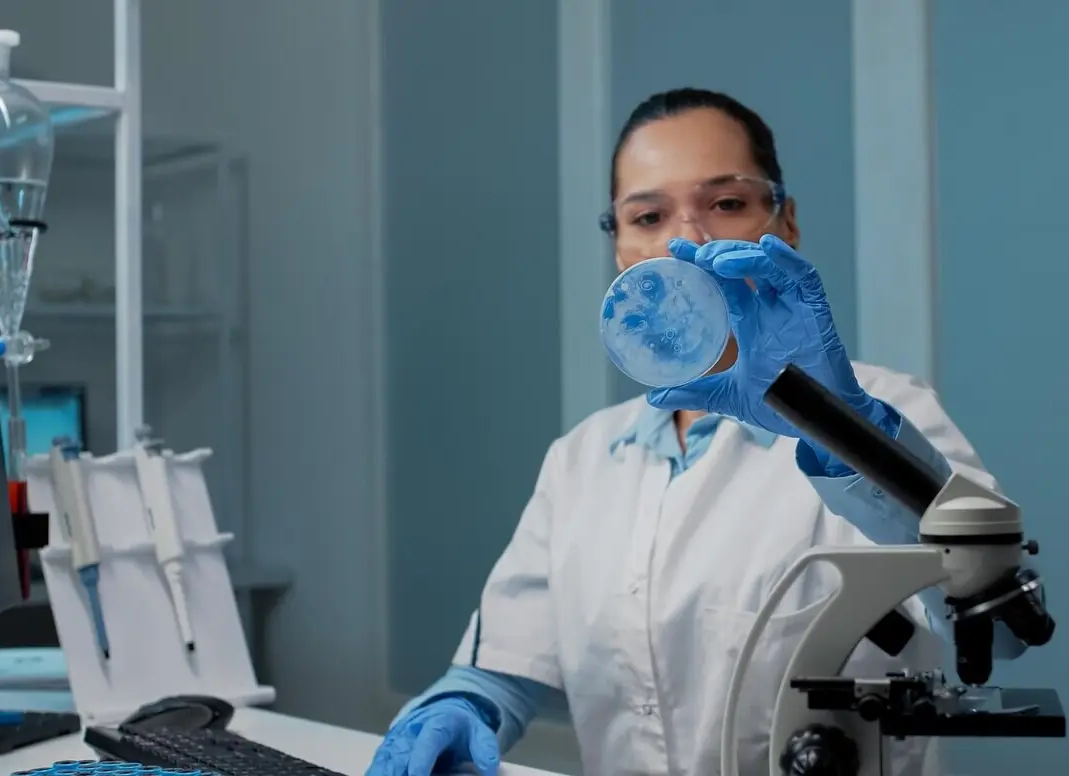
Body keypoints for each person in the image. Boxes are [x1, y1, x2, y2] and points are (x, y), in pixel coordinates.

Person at [367, 87, 1029, 776]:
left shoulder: (888, 410)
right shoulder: (583, 461)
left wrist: (842, 426)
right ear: (622, 252)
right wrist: (461, 710)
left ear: (786, 224)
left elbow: (1002, 630)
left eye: (727, 203)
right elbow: (504, 665)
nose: (686, 241)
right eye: (648, 216)